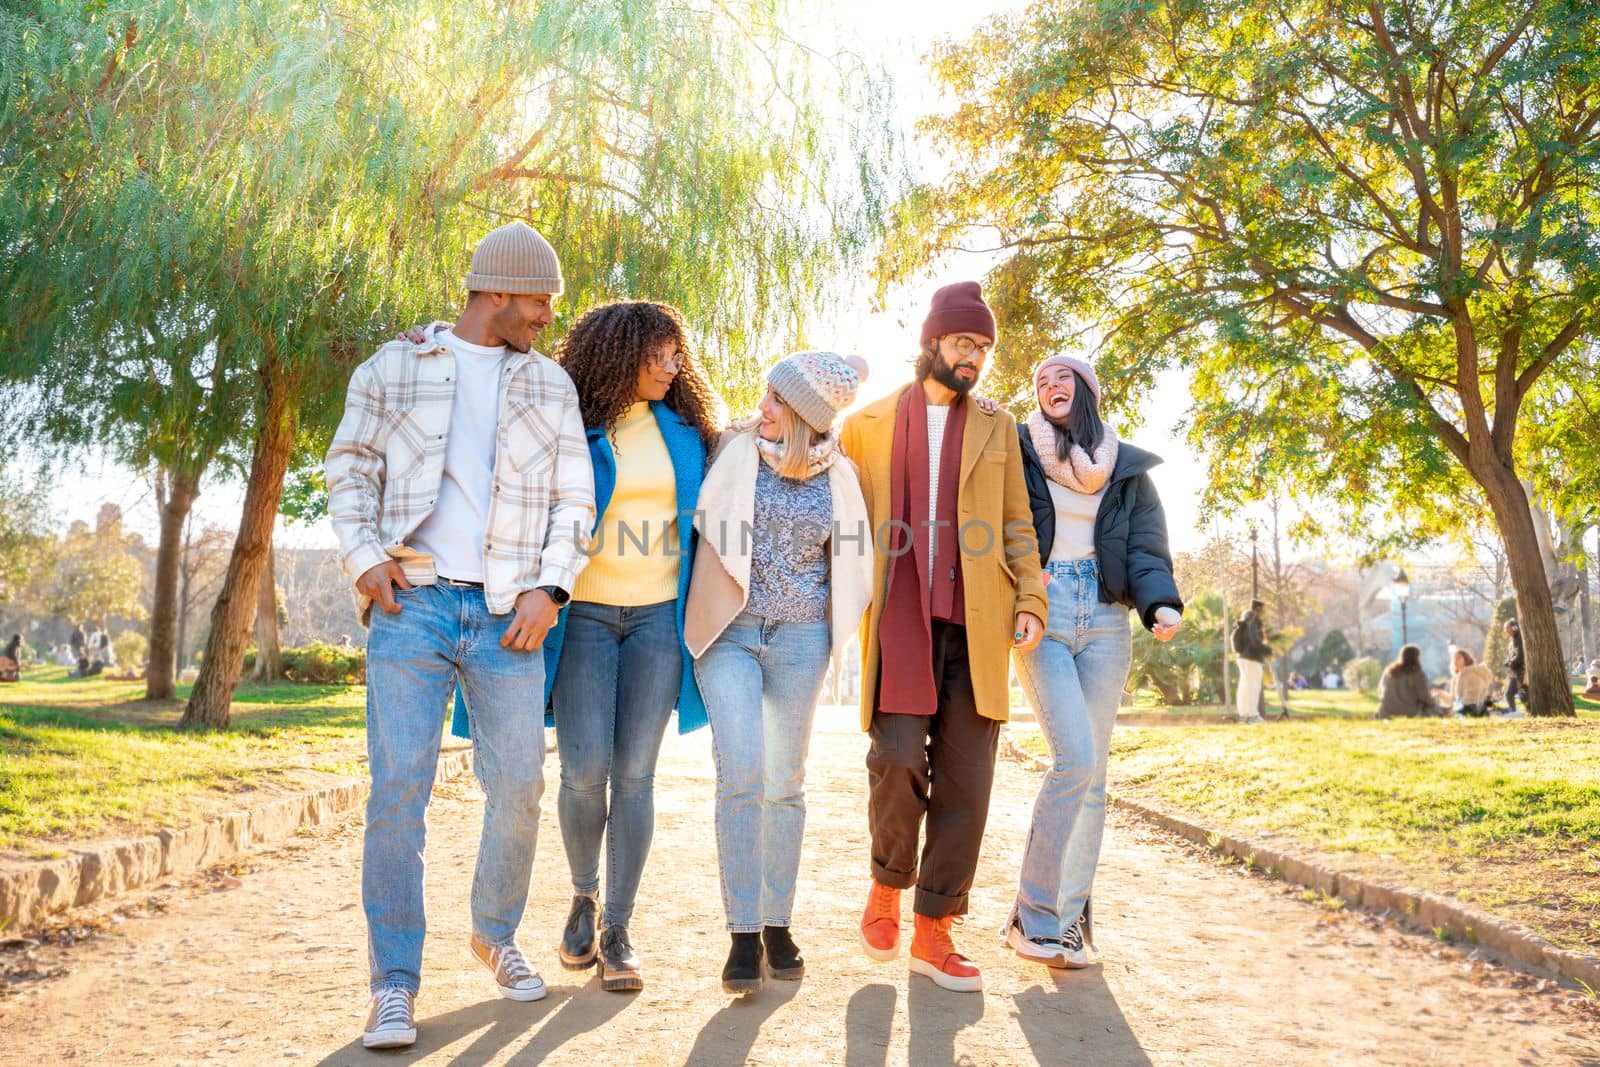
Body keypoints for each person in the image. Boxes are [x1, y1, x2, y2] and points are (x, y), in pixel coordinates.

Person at [324, 220, 594, 1050]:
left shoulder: (550, 386)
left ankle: (494, 933)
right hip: (415, 604)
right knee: (398, 792)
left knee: (518, 785)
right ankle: (394, 985)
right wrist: (366, 559)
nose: (550, 313)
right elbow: (348, 465)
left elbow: (573, 500)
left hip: (511, 611)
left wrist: (551, 589)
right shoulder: (395, 365)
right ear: (500, 290)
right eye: (541, 298)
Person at [840, 281, 1048, 994]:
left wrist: (1031, 598)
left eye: (984, 348)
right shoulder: (865, 424)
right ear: (932, 341)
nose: (975, 359)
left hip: (977, 624)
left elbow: (1017, 522)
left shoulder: (996, 423)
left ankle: (934, 929)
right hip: (898, 617)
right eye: (965, 344)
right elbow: (837, 517)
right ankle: (886, 882)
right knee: (896, 757)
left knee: (970, 780)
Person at [505, 300, 716, 994]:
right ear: (618, 355)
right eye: (655, 356)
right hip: (586, 616)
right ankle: (583, 895)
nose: (669, 367)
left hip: (658, 621)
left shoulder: (687, 433)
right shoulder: (572, 425)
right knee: (581, 769)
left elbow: (745, 460)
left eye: (674, 356)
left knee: (635, 775)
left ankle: (619, 927)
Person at [685, 352, 874, 995]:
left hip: (799, 641)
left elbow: (852, 562)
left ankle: (777, 923)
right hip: (730, 633)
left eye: (775, 400)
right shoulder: (732, 449)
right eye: (765, 395)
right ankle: (741, 933)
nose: (762, 407)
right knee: (740, 773)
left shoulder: (840, 476)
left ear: (804, 415)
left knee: (784, 782)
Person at [1003, 355, 1183, 969]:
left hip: (1107, 619)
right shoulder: (1020, 450)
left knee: (1095, 777)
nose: (1051, 386)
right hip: (1045, 612)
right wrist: (1025, 589)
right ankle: (1033, 915)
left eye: (1062, 378)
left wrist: (1159, 603)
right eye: (1041, 380)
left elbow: (1146, 546)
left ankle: (1072, 918)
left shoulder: (1124, 467)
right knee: (1073, 760)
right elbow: (1007, 527)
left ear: (1086, 391)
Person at [1231, 600, 1271, 723]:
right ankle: (1252, 715)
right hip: (1252, 658)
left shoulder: (1246, 619)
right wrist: (1267, 649)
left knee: (1245, 686)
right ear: (1258, 609)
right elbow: (1255, 641)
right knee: (1253, 686)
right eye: (1263, 610)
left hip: (1243, 657)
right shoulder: (1253, 621)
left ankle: (1244, 715)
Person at [1376, 644, 1442, 718]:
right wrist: (1433, 701)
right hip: (1409, 712)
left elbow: (1380, 690)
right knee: (1435, 708)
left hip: (1386, 711)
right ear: (1416, 657)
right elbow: (1424, 697)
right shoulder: (1417, 674)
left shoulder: (1389, 671)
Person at [1449, 649, 1495, 717]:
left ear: (1466, 660)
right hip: (1463, 710)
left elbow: (1476, 696)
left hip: (1474, 711)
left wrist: (1460, 707)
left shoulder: (1471, 674)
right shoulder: (1456, 678)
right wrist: (1441, 695)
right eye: (1454, 658)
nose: (1455, 660)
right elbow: (1454, 699)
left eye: (1458, 657)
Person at [1502, 619, 1526, 715]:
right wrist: (1507, 664)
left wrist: (1511, 665)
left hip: (1521, 670)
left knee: (1523, 694)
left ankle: (1531, 710)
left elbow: (1520, 655)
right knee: (1509, 693)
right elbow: (1511, 655)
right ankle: (1512, 711)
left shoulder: (1519, 638)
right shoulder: (1512, 639)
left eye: (1507, 628)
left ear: (1513, 628)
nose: (1505, 630)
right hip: (1515, 670)